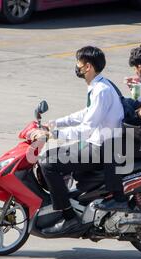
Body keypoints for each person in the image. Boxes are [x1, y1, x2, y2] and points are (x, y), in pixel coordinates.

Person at [30, 46, 129, 235]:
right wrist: (55, 123)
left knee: (48, 162)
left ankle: (69, 218)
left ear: (88, 67)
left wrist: (54, 135)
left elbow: (86, 129)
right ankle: (72, 201)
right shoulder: (99, 86)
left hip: (103, 148)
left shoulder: (101, 90)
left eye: (78, 63)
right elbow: (86, 114)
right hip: (100, 143)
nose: (76, 66)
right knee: (54, 155)